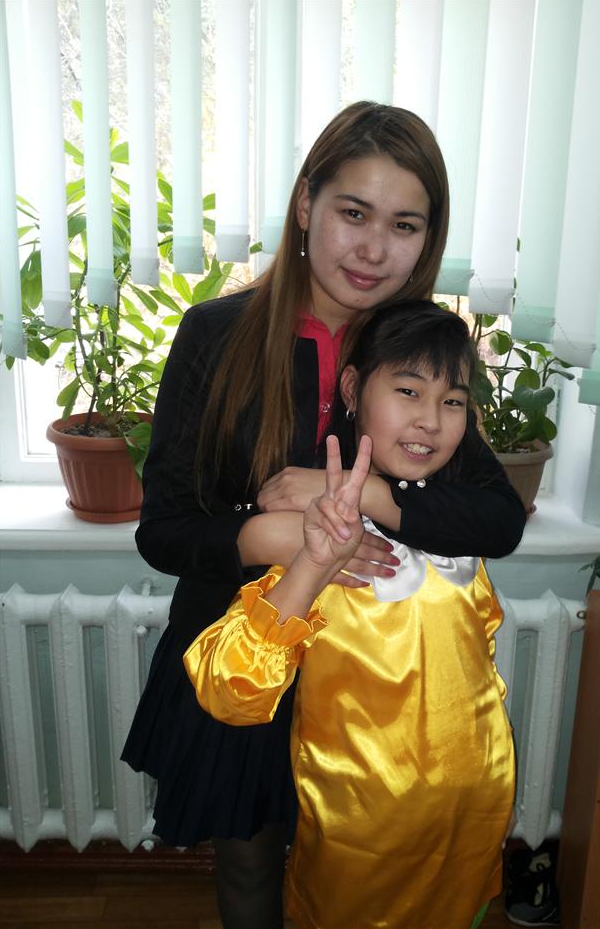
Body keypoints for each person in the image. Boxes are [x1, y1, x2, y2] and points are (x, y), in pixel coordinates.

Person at [121, 102, 525, 929]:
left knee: (359, 873)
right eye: (353, 212)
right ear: (306, 204)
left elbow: (496, 517)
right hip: (245, 651)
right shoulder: (216, 335)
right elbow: (163, 529)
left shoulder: (417, 352)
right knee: (248, 860)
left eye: (404, 225)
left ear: (429, 238)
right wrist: (276, 535)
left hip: (376, 683)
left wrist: (369, 498)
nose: (375, 249)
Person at [184, 302, 516, 929]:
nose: (430, 420)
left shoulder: (455, 527)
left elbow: (479, 657)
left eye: (452, 401)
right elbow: (230, 690)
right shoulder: (324, 539)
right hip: (360, 833)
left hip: (469, 817)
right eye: (409, 390)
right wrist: (313, 563)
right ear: (354, 389)